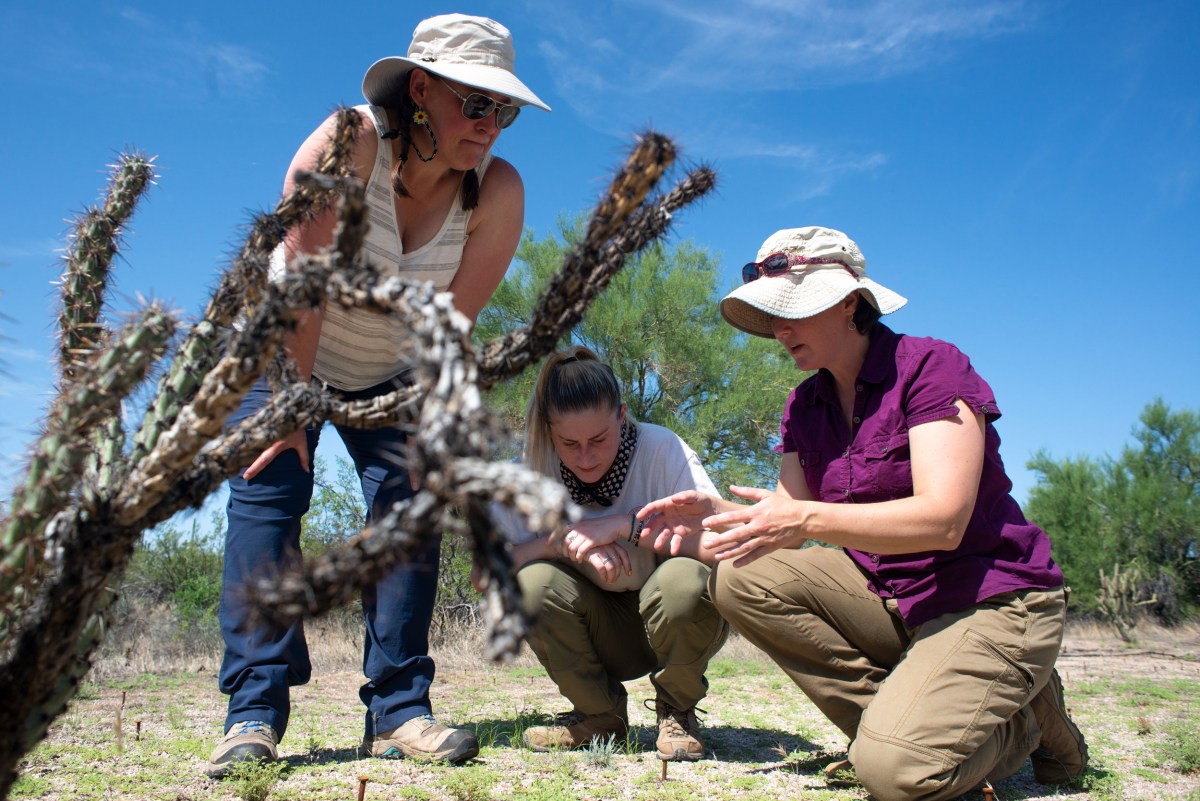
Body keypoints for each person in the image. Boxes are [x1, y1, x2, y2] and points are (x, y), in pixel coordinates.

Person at [206, 14, 550, 778]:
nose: (491, 126)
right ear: (420, 89)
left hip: (389, 367)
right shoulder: (348, 142)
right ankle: (252, 709)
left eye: (505, 110)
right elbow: (300, 282)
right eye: (476, 104)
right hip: (284, 341)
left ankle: (397, 710)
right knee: (271, 485)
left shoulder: (496, 192)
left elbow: (446, 329)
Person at [638, 226, 1088, 801]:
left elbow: (943, 520)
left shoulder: (930, 367)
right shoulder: (804, 405)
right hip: (891, 594)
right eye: (771, 313)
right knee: (742, 577)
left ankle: (1024, 723)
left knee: (894, 778)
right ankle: (908, 728)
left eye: (792, 310)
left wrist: (802, 520)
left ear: (849, 301)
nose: (780, 328)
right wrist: (719, 513)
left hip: (989, 595)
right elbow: (791, 524)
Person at [485, 347, 729, 762]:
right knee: (529, 583)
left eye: (598, 439)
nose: (586, 457)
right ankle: (599, 716)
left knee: (686, 580)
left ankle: (677, 710)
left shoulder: (662, 450)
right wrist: (563, 542)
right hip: (595, 633)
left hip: (670, 625)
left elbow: (723, 548)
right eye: (568, 442)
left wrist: (626, 526)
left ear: (622, 415)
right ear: (547, 430)